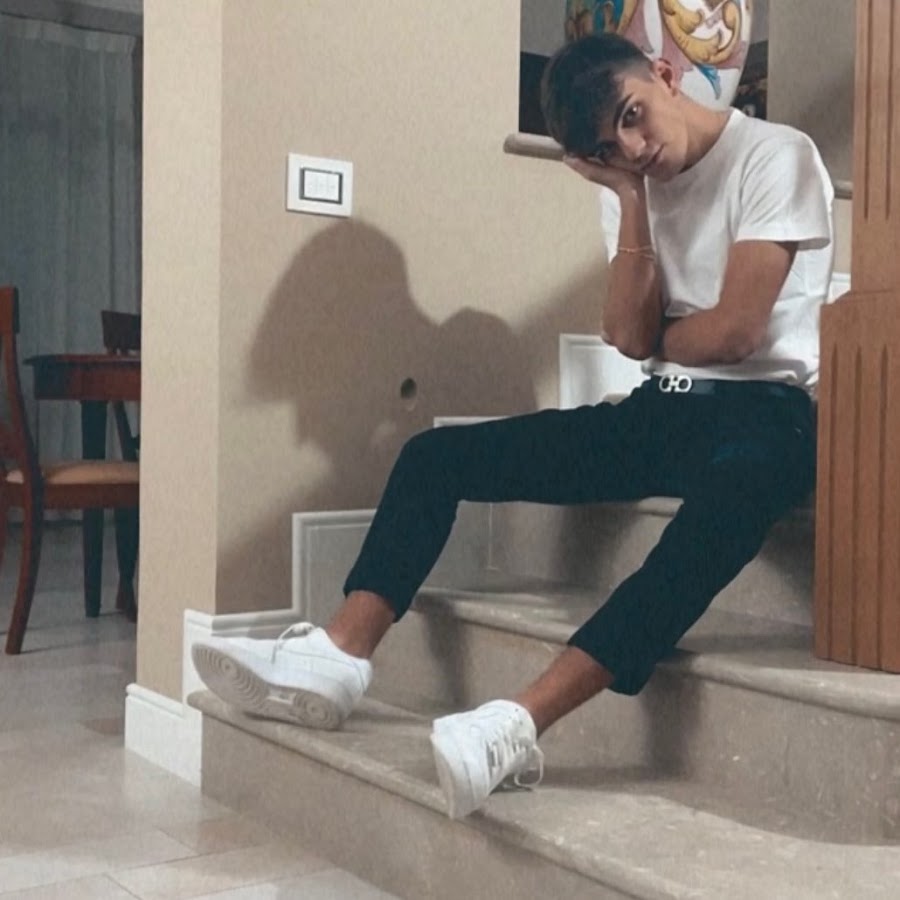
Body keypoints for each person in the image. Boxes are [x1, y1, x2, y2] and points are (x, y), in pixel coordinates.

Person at [192, 33, 833, 820]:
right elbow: (627, 334)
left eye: (634, 116)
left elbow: (734, 333)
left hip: (769, 416)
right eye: (609, 149)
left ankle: (518, 723)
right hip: (662, 408)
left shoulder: (773, 154)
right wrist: (632, 198)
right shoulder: (628, 183)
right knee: (435, 455)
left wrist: (657, 337)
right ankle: (339, 655)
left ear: (666, 74)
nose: (634, 148)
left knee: (708, 526)